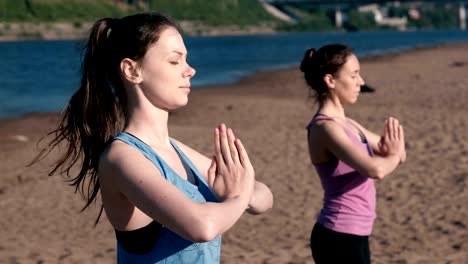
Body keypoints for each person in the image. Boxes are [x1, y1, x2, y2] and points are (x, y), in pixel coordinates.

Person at [34, 12, 273, 263]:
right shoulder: (121, 158)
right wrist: (237, 196)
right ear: (132, 70)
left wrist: (238, 193)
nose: (190, 70)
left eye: (186, 61)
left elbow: (264, 197)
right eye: (174, 61)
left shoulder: (176, 150)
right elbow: (203, 227)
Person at [300, 44, 406, 264]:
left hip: (356, 233)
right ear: (330, 81)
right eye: (354, 75)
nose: (361, 82)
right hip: (338, 235)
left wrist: (394, 153)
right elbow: (375, 168)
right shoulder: (325, 129)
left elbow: (394, 150)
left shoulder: (349, 124)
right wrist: (393, 156)